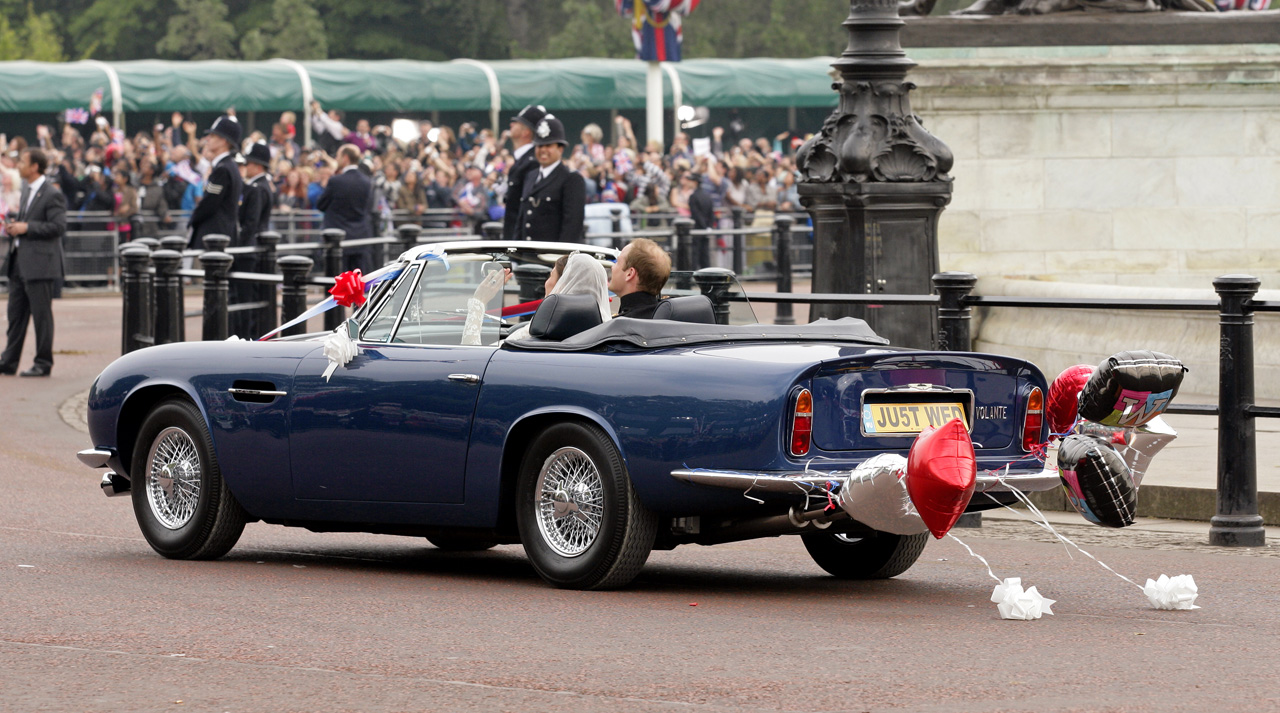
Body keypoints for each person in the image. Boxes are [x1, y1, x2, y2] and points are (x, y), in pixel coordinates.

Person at [1, 148, 66, 377]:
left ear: (34, 167)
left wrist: (26, 228)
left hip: (40, 265)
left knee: (41, 316)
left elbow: (58, 227)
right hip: (20, 263)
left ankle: (43, 362)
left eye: (23, 162)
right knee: (15, 314)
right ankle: (8, 360)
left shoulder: (51, 193)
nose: (18, 165)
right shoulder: (28, 190)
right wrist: (16, 227)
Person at [515, 115, 585, 243]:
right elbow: (522, 219)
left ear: (560, 148)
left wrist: (561, 260)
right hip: (526, 256)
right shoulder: (530, 176)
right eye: (539, 146)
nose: (543, 150)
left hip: (552, 257)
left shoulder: (571, 179)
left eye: (548, 145)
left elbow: (572, 226)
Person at [316, 143, 374, 272]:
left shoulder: (336, 181)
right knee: (358, 284)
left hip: (337, 240)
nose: (336, 159)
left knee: (338, 283)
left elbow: (321, 205)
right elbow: (368, 207)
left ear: (345, 158)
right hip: (359, 239)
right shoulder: (366, 181)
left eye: (338, 156)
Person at [188, 115, 242, 251]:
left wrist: (193, 219)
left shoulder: (223, 168)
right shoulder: (228, 166)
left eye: (212, 136)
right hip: (221, 235)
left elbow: (210, 203)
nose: (207, 139)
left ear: (223, 141)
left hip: (214, 238)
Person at [503, 104, 546, 240]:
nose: (511, 125)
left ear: (526, 132)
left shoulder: (531, 161)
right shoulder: (523, 159)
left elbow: (526, 207)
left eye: (517, 123)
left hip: (521, 241)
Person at [608, 237, 671, 320]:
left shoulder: (619, 326)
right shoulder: (669, 316)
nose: (612, 267)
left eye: (617, 262)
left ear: (629, 274)